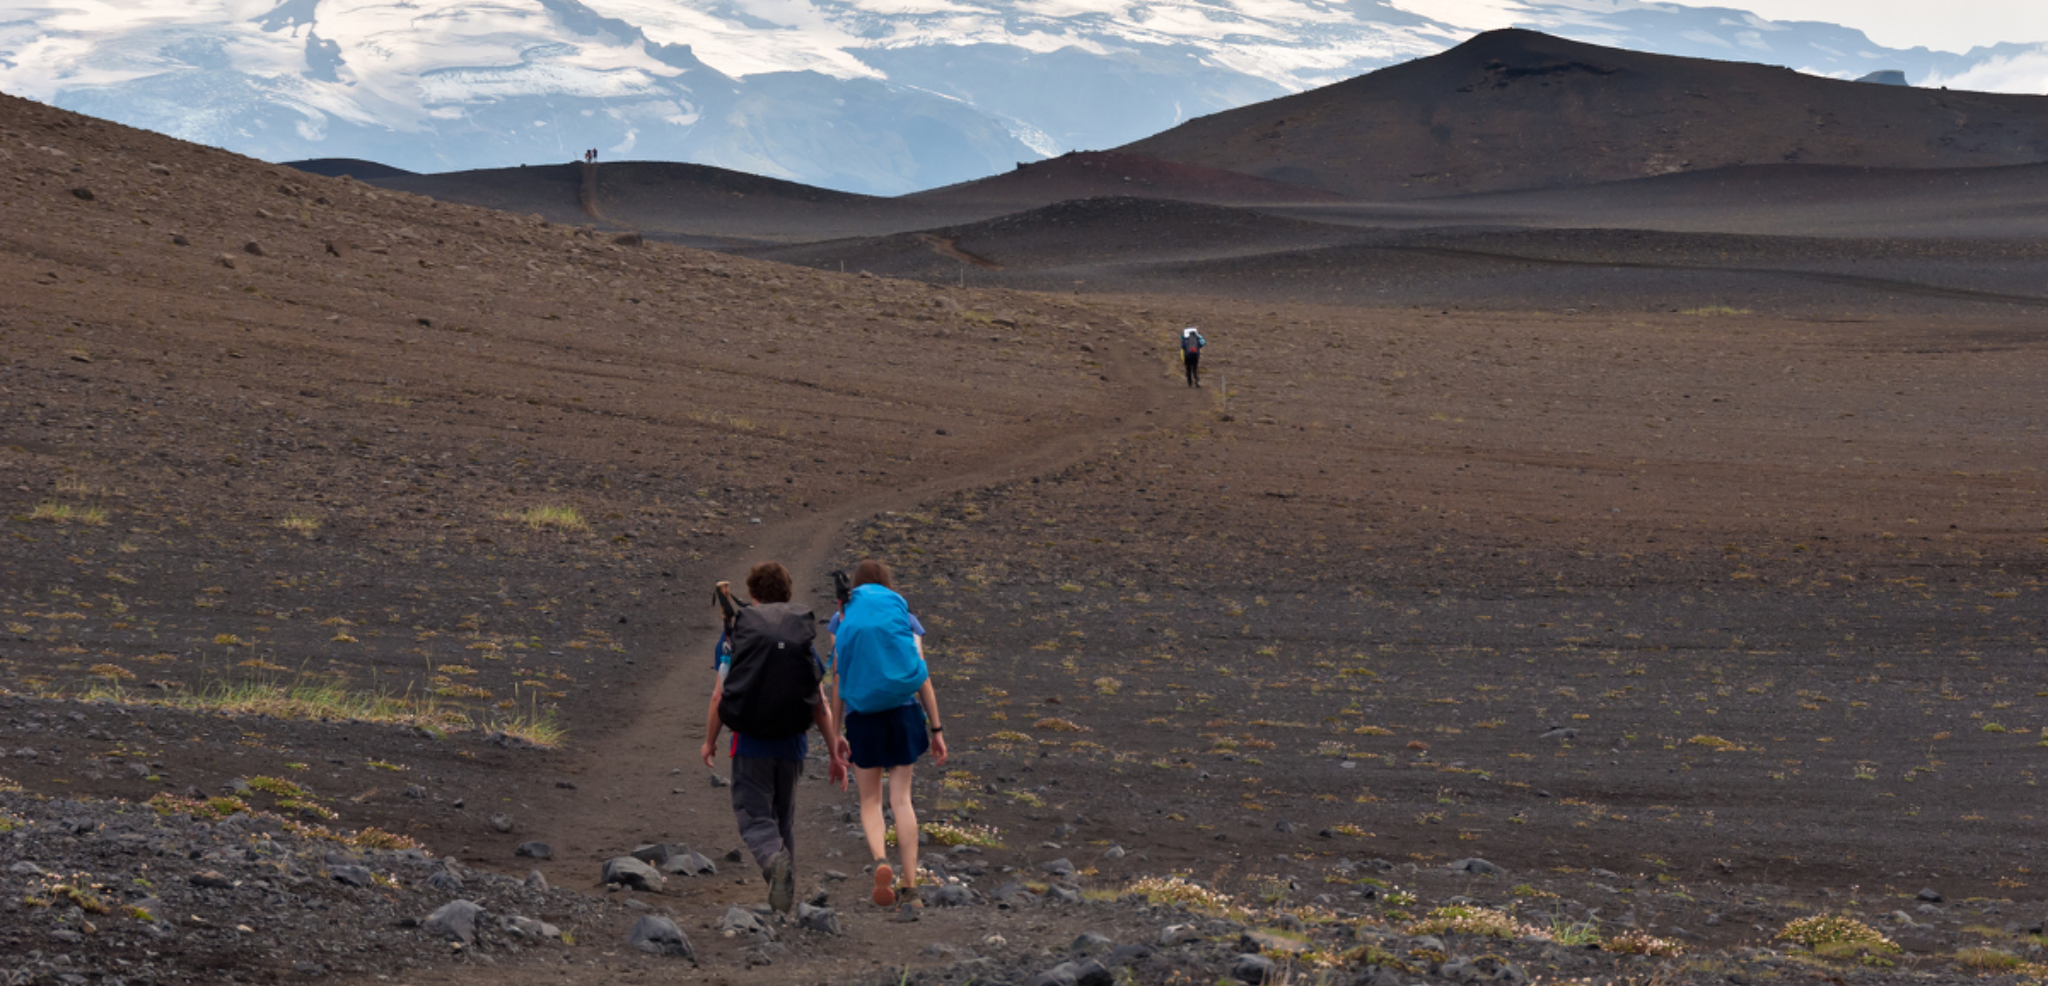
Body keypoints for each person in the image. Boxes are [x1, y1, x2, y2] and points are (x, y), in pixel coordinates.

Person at [701, 561, 848, 914]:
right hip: (793, 746)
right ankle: (784, 897)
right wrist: (834, 752)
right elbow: (819, 703)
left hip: (750, 744)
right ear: (787, 593)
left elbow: (720, 696)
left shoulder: (737, 633)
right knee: (783, 820)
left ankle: (773, 864)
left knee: (753, 816)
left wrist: (710, 741)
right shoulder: (801, 637)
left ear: (751, 595)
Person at [829, 558, 946, 913]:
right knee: (902, 800)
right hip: (904, 712)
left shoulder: (843, 617)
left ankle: (881, 860)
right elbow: (920, 673)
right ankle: (910, 887)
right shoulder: (904, 616)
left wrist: (835, 732)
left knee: (870, 802)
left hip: (864, 717)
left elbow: (839, 678)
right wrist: (936, 728)